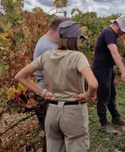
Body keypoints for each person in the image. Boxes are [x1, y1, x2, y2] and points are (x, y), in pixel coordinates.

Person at [15, 20, 98, 152]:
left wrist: (43, 93)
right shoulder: (78, 57)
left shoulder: (46, 56)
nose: (80, 42)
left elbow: (19, 76)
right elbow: (93, 84)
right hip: (73, 112)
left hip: (52, 111)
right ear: (74, 38)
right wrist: (88, 95)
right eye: (80, 39)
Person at [32, 16, 68, 152]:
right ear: (59, 29)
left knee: (51, 134)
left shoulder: (46, 41)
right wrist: (56, 99)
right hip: (48, 95)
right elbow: (49, 78)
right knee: (53, 136)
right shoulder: (48, 47)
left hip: (46, 94)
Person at [92, 16, 125, 134]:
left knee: (111, 94)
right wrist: (123, 70)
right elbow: (114, 52)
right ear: (116, 25)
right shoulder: (108, 32)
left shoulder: (112, 34)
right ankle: (103, 123)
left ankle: (115, 117)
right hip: (101, 69)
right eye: (122, 31)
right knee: (103, 97)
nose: (122, 34)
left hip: (108, 68)